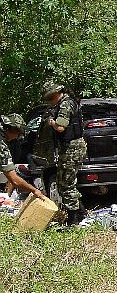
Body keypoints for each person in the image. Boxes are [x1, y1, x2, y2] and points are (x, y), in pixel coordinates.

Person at [42, 81, 87, 225]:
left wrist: (51, 122)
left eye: (50, 98)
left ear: (56, 94)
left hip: (71, 148)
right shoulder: (67, 102)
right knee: (64, 183)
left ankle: (75, 218)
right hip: (70, 147)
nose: (49, 102)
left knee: (66, 184)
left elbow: (61, 127)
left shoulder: (65, 104)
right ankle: (79, 211)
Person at [1, 114, 45, 199]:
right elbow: (14, 179)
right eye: (18, 133)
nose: (17, 137)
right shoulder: (2, 145)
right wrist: (34, 190)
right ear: (12, 129)